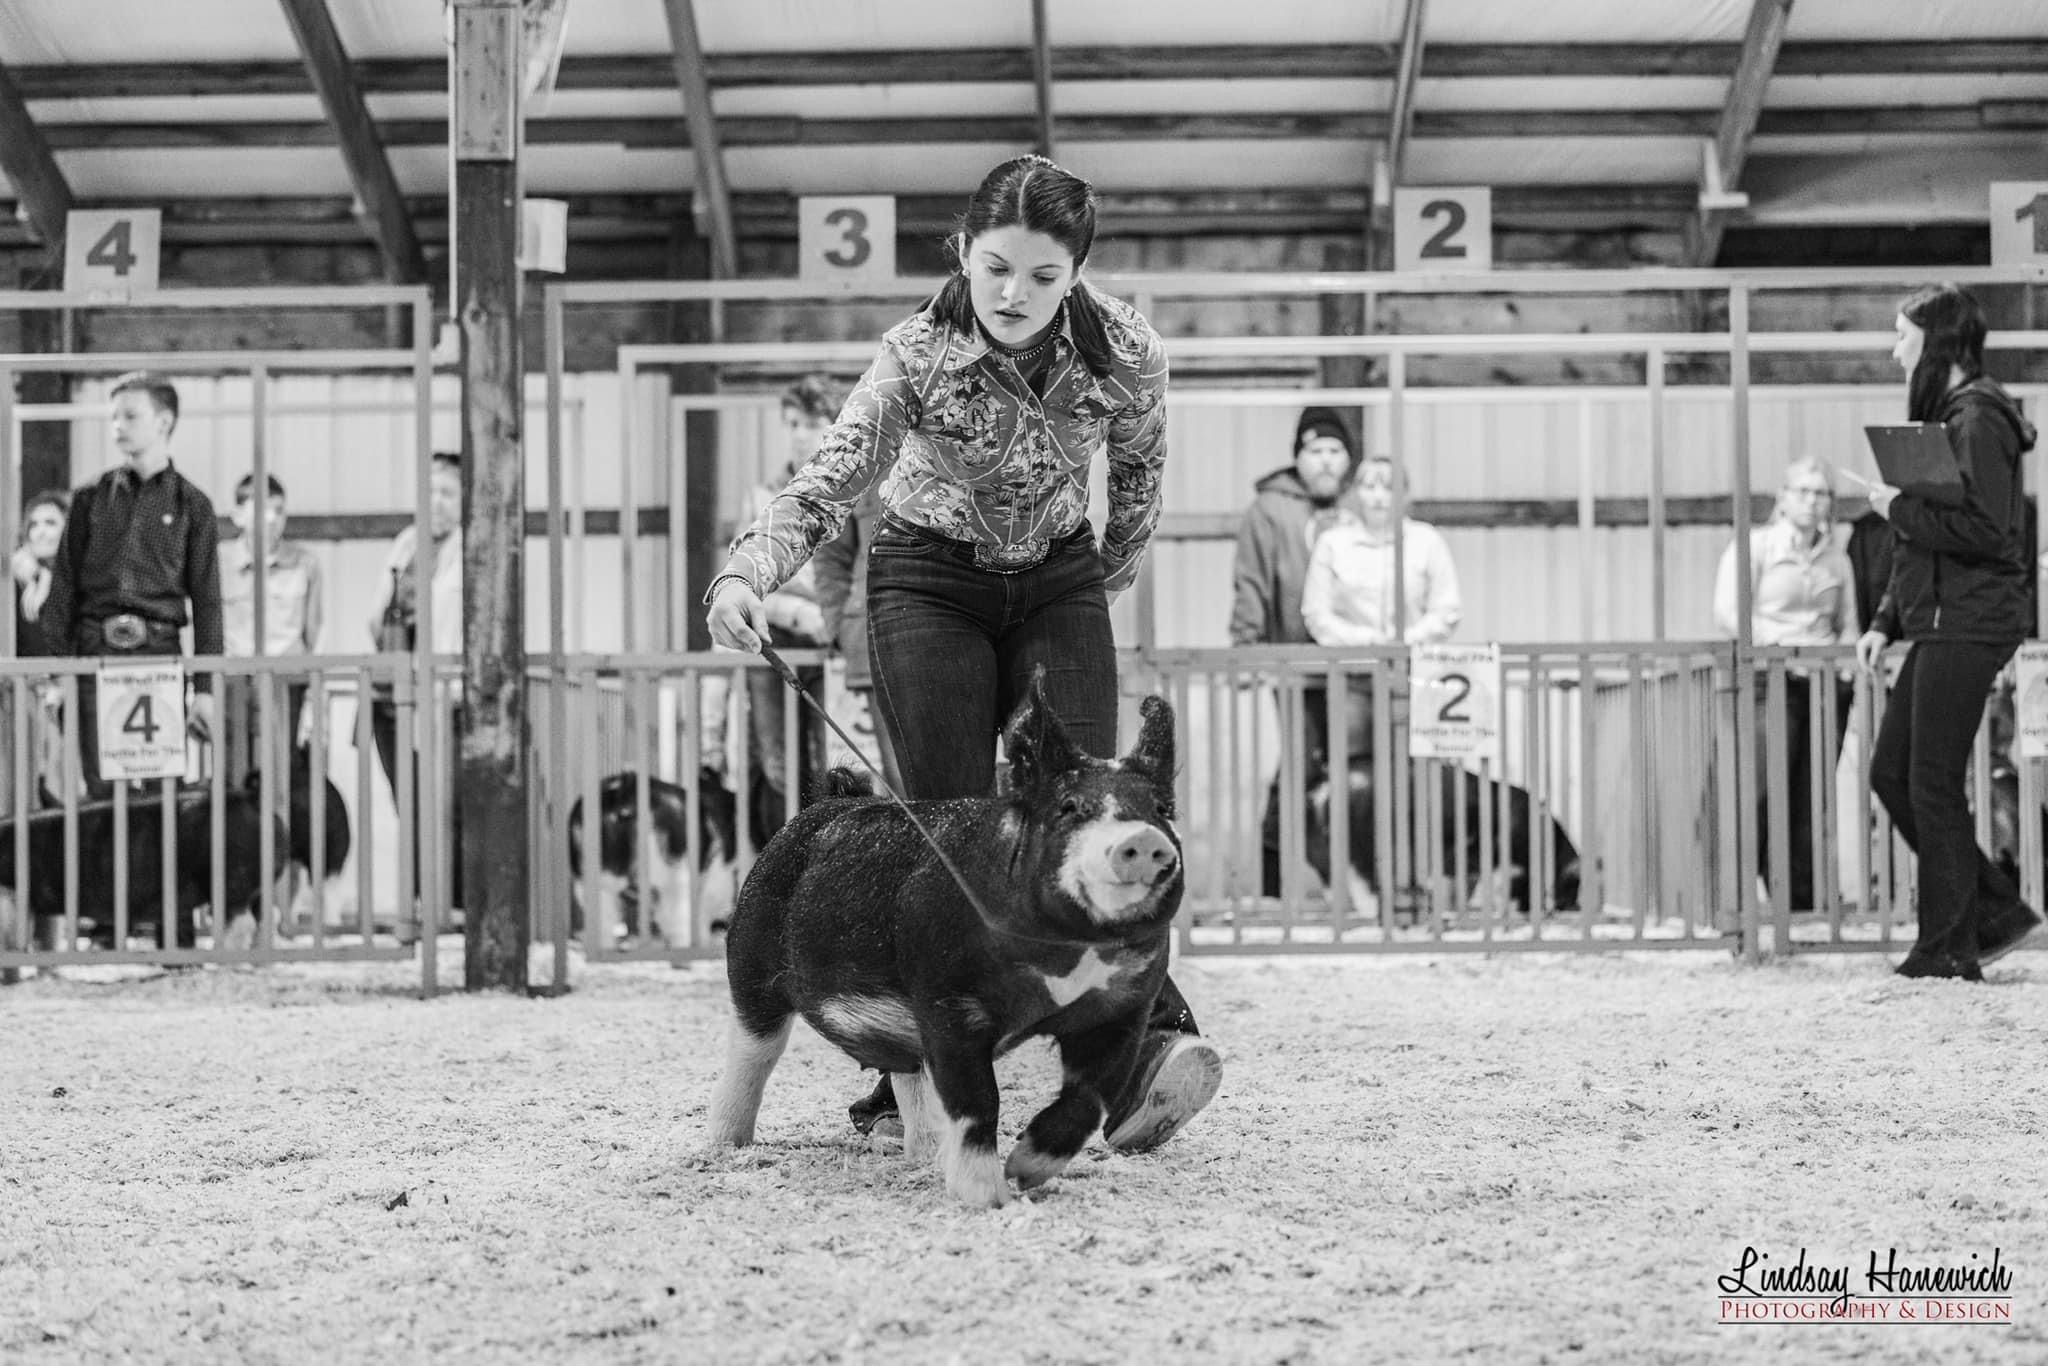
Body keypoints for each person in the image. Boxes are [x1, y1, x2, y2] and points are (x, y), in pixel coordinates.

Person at [707, 154, 1221, 1154]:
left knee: (1085, 820)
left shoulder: (1125, 351)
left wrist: (1096, 584)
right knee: (947, 837)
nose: (1013, 293)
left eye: (1039, 275)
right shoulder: (913, 350)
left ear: (1076, 270)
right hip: (923, 579)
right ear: (961, 254)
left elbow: (1140, 478)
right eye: (994, 268)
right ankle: (915, 1072)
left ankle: (1148, 1049)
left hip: (1059, 575)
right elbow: (832, 473)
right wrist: (746, 573)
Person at [1857, 283, 2043, 979]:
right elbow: (1932, 543)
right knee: (1894, 772)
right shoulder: (1957, 418)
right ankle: (1990, 914)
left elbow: (1988, 532)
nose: (1896, 348)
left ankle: (1948, 946)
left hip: (1970, 620)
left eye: (1903, 335)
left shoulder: (1977, 421)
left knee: (1927, 777)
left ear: (1935, 343)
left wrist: (1895, 505)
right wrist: (1886, 618)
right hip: (1941, 619)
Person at [39, 373, 221, 799]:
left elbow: (208, 602)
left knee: (163, 790)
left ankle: (160, 868)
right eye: (114, 417)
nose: (118, 426)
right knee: (101, 788)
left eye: (130, 416)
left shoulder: (192, 505)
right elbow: (64, 588)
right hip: (93, 651)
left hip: (160, 651)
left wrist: (205, 690)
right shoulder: (88, 498)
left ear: (164, 421)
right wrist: (58, 673)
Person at [1713, 458, 1858, 912]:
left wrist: (1845, 664)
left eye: (1822, 493)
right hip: (1766, 680)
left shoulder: (1837, 557)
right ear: (1783, 497)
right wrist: (1780, 645)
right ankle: (1742, 901)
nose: (1813, 501)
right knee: (1759, 789)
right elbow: (1729, 613)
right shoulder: (1755, 546)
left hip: (1821, 684)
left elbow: (1847, 622)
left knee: (1811, 795)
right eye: (1804, 491)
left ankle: (1799, 904)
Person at [1230, 406, 1363, 896]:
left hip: (1357, 669)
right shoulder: (1270, 509)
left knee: (1355, 768)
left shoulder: (1362, 504)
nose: (1326, 461)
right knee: (1301, 767)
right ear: (1298, 458)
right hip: (1294, 665)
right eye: (1315, 451)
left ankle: (1358, 879)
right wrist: (1246, 646)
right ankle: (1271, 881)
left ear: (1348, 459)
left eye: (1335, 450)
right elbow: (1253, 581)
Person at [1300, 453, 1462, 762]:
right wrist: (1365, 640)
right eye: (1369, 486)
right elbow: (1316, 613)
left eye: (1389, 487)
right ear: (1355, 492)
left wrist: (1408, 638)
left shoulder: (1427, 541)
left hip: (1414, 673)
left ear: (1406, 494)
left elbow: (1448, 609)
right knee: (1353, 770)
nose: (1378, 497)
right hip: (1351, 675)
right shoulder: (1334, 543)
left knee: (1416, 767)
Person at [733, 376, 836, 843]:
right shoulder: (760, 497)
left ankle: (823, 866)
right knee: (778, 763)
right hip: (776, 642)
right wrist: (799, 613)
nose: (800, 434)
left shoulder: (848, 495)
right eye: (792, 423)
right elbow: (741, 580)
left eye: (812, 423)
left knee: (829, 761)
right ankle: (781, 869)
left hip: (831, 646)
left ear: (834, 427)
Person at [367, 451, 464, 933]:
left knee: (450, 802)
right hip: (396, 695)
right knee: (409, 801)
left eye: (448, 492)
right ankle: (422, 905)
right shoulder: (405, 545)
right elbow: (375, 615)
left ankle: (457, 905)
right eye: (431, 492)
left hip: (449, 696)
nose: (438, 503)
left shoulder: (471, 548)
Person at [220, 473, 324, 781]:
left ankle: (277, 827)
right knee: (233, 774)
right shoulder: (218, 562)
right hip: (232, 682)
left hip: (284, 683)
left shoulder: (305, 563)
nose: (272, 518)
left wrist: (311, 697)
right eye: (262, 508)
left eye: (279, 510)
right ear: (238, 514)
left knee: (279, 773)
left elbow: (313, 632)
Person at [812, 481, 904, 793]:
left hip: (957, 636)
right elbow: (830, 554)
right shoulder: (860, 460)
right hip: (874, 640)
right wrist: (839, 621)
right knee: (904, 784)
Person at [7, 491, 68, 810]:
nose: (41, 531)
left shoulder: (76, 578)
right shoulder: (12, 579)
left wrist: (47, 578)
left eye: (51, 522)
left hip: (68, 694)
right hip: (25, 698)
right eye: (33, 524)